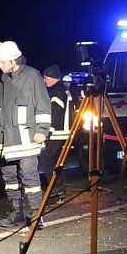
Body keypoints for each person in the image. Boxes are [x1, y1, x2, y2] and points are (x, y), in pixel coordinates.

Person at [0, 41, 51, 228]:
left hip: (27, 137)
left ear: (13, 60)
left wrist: (42, 130)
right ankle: (16, 213)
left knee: (29, 176)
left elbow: (43, 105)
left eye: (2, 62)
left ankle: (36, 215)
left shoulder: (32, 76)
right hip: (5, 139)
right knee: (9, 178)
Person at [39, 64, 78, 200]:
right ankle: (58, 187)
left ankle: (56, 188)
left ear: (52, 77)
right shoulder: (62, 89)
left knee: (46, 158)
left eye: (45, 78)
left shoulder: (56, 92)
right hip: (61, 132)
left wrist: (47, 131)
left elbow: (55, 114)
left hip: (57, 132)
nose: (44, 80)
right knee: (54, 160)